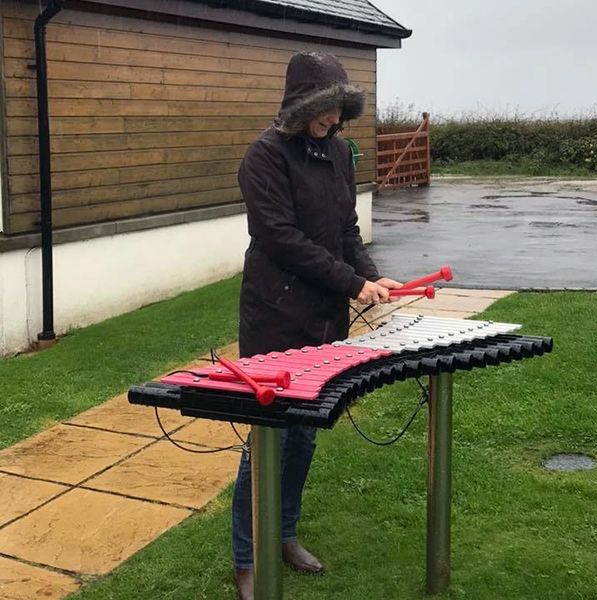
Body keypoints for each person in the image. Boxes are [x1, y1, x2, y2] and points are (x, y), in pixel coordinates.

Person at [232, 51, 400, 600]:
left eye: (340, 111)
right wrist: (350, 284)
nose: (336, 121)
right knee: (267, 440)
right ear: (303, 104)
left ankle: (283, 535)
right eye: (327, 111)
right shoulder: (264, 157)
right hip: (275, 315)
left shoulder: (336, 153)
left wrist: (372, 278)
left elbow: (346, 229)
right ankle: (246, 557)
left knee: (303, 434)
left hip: (323, 319)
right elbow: (281, 238)